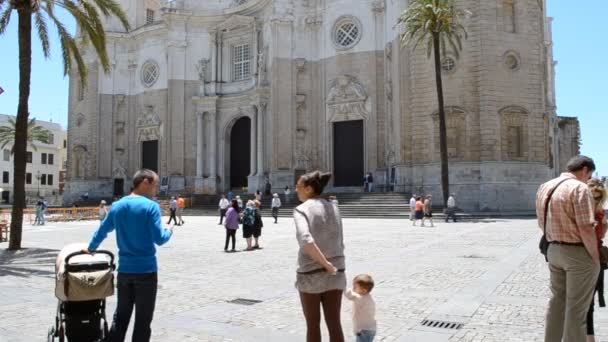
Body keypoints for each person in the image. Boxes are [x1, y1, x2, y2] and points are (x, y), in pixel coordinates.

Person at [84, 169, 174, 342]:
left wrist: (91, 248)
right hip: (146, 272)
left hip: (124, 272)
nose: (156, 189)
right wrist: (169, 230)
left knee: (121, 316)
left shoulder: (117, 206)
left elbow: (102, 230)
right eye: (154, 185)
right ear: (145, 182)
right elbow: (160, 239)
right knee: (143, 320)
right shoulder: (151, 206)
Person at [536, 155, 599, 342]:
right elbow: (586, 228)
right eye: (589, 176)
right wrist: (594, 257)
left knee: (557, 303)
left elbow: (541, 222)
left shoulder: (545, 186)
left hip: (553, 250)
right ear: (585, 170)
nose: (588, 180)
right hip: (577, 253)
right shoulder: (579, 188)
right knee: (577, 309)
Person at [294, 171, 346, 342]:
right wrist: (332, 266)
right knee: (334, 323)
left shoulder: (301, 209)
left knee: (313, 325)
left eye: (298, 187)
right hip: (336, 273)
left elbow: (305, 240)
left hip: (311, 274)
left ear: (308, 189)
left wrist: (325, 264)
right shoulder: (334, 206)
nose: (296, 190)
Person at [586, 178, 607, 342]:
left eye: (599, 197)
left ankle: (590, 338)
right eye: (593, 195)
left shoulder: (600, 213)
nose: (595, 199)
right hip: (582, 257)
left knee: (589, 302)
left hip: (596, 257)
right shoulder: (581, 211)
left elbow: (601, 235)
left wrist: (603, 225)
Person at [344, 274, 377, 342]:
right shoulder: (368, 297)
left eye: (355, 287)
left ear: (364, 290)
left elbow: (348, 294)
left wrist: (343, 286)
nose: (353, 288)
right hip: (370, 329)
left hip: (363, 330)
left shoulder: (359, 298)